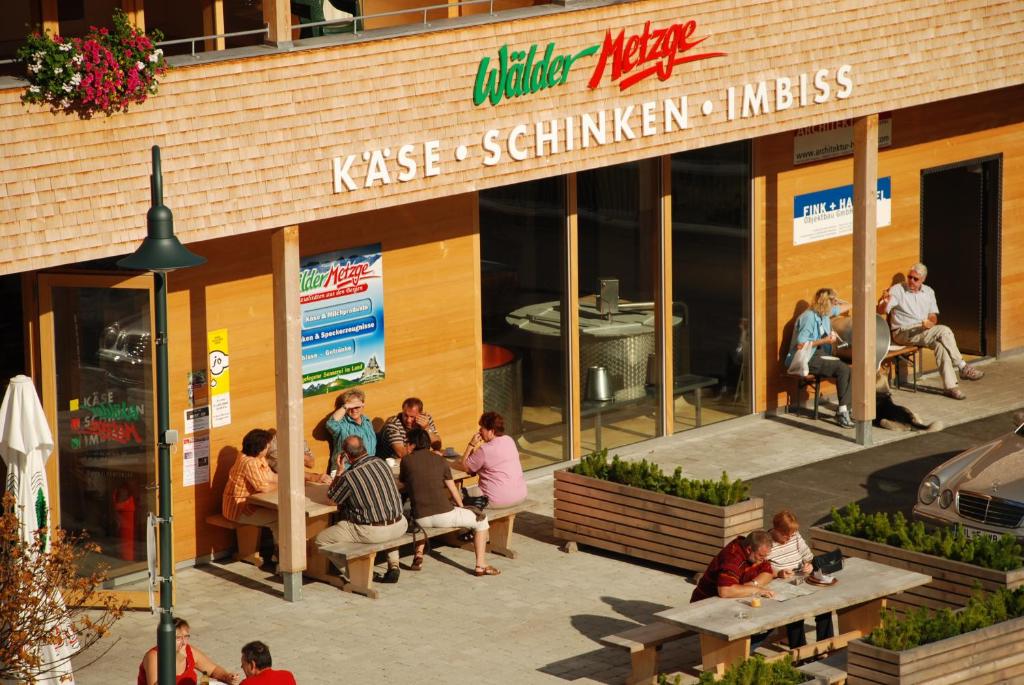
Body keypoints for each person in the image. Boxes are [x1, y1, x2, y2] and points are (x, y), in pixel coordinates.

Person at [400, 428, 499, 576]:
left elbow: (403, 482)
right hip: (444, 515)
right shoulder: (440, 460)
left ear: (413, 444)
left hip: (421, 519)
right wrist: (463, 507)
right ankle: (480, 565)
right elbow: (453, 489)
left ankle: (419, 554)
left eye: (407, 442)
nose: (405, 445)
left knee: (421, 505)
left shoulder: (406, 461)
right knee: (482, 520)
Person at [877, 262, 984, 400]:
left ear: (923, 280)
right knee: (945, 331)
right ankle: (962, 366)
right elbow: (880, 311)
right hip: (903, 332)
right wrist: (885, 302)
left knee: (941, 346)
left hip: (923, 330)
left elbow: (933, 315)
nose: (911, 281)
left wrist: (931, 322)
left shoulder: (928, 292)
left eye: (915, 279)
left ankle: (951, 387)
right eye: (909, 277)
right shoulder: (898, 290)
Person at [315, 435, 406, 584]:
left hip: (373, 532)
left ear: (347, 455)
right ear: (363, 448)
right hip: (400, 525)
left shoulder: (350, 476)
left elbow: (331, 500)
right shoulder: (382, 462)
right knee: (386, 519)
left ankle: (355, 575)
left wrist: (339, 471)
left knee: (321, 540)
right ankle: (394, 564)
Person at [785, 288, 854, 428]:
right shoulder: (809, 317)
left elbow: (843, 307)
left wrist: (845, 302)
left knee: (851, 368)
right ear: (825, 302)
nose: (835, 304)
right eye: (833, 301)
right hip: (806, 357)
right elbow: (801, 344)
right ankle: (842, 411)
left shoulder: (824, 313)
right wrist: (825, 340)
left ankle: (845, 408)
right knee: (843, 369)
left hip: (820, 354)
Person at [767, 510, 834, 649]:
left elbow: (809, 557)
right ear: (775, 530)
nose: (789, 538)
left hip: (802, 580)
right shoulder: (767, 543)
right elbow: (762, 570)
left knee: (824, 607)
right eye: (786, 535)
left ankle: (826, 647)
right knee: (796, 614)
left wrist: (809, 565)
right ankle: (801, 653)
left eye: (791, 535)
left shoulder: (795, 536)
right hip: (781, 586)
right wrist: (778, 573)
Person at [453, 411, 527, 508]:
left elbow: (465, 467)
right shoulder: (509, 440)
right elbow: (473, 462)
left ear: (491, 431)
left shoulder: (484, 450)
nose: (479, 431)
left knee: (455, 495)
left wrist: (471, 445)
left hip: (497, 500)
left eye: (482, 428)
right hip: (520, 495)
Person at [137, 617, 241, 685]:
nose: (183, 642)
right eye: (178, 638)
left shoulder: (189, 651)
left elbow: (213, 670)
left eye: (186, 637)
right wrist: (178, 660)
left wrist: (227, 677)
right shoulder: (154, 656)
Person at [222, 429, 278, 543]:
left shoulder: (257, 457)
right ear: (259, 449)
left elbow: (271, 476)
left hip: (251, 504)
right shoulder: (249, 463)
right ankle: (281, 554)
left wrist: (287, 479)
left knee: (281, 514)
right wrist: (283, 485)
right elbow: (263, 487)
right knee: (279, 519)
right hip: (239, 509)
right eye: (267, 447)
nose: (268, 450)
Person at [690, 530, 775, 603]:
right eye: (761, 556)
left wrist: (752, 584)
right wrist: (756, 590)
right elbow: (725, 591)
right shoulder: (732, 557)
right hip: (705, 603)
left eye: (765, 556)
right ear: (749, 549)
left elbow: (768, 572)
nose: (763, 559)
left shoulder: (754, 555)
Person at [324, 389, 377, 472]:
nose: (354, 410)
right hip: (346, 471)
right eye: (351, 407)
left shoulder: (367, 421)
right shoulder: (342, 424)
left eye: (357, 407)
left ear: (363, 405)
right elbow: (330, 424)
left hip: (367, 468)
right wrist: (346, 406)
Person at [265, 429, 331, 484]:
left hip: (298, 477)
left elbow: (311, 464)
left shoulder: (297, 438)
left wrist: (298, 454)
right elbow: (286, 472)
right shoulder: (272, 445)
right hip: (279, 482)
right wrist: (312, 477)